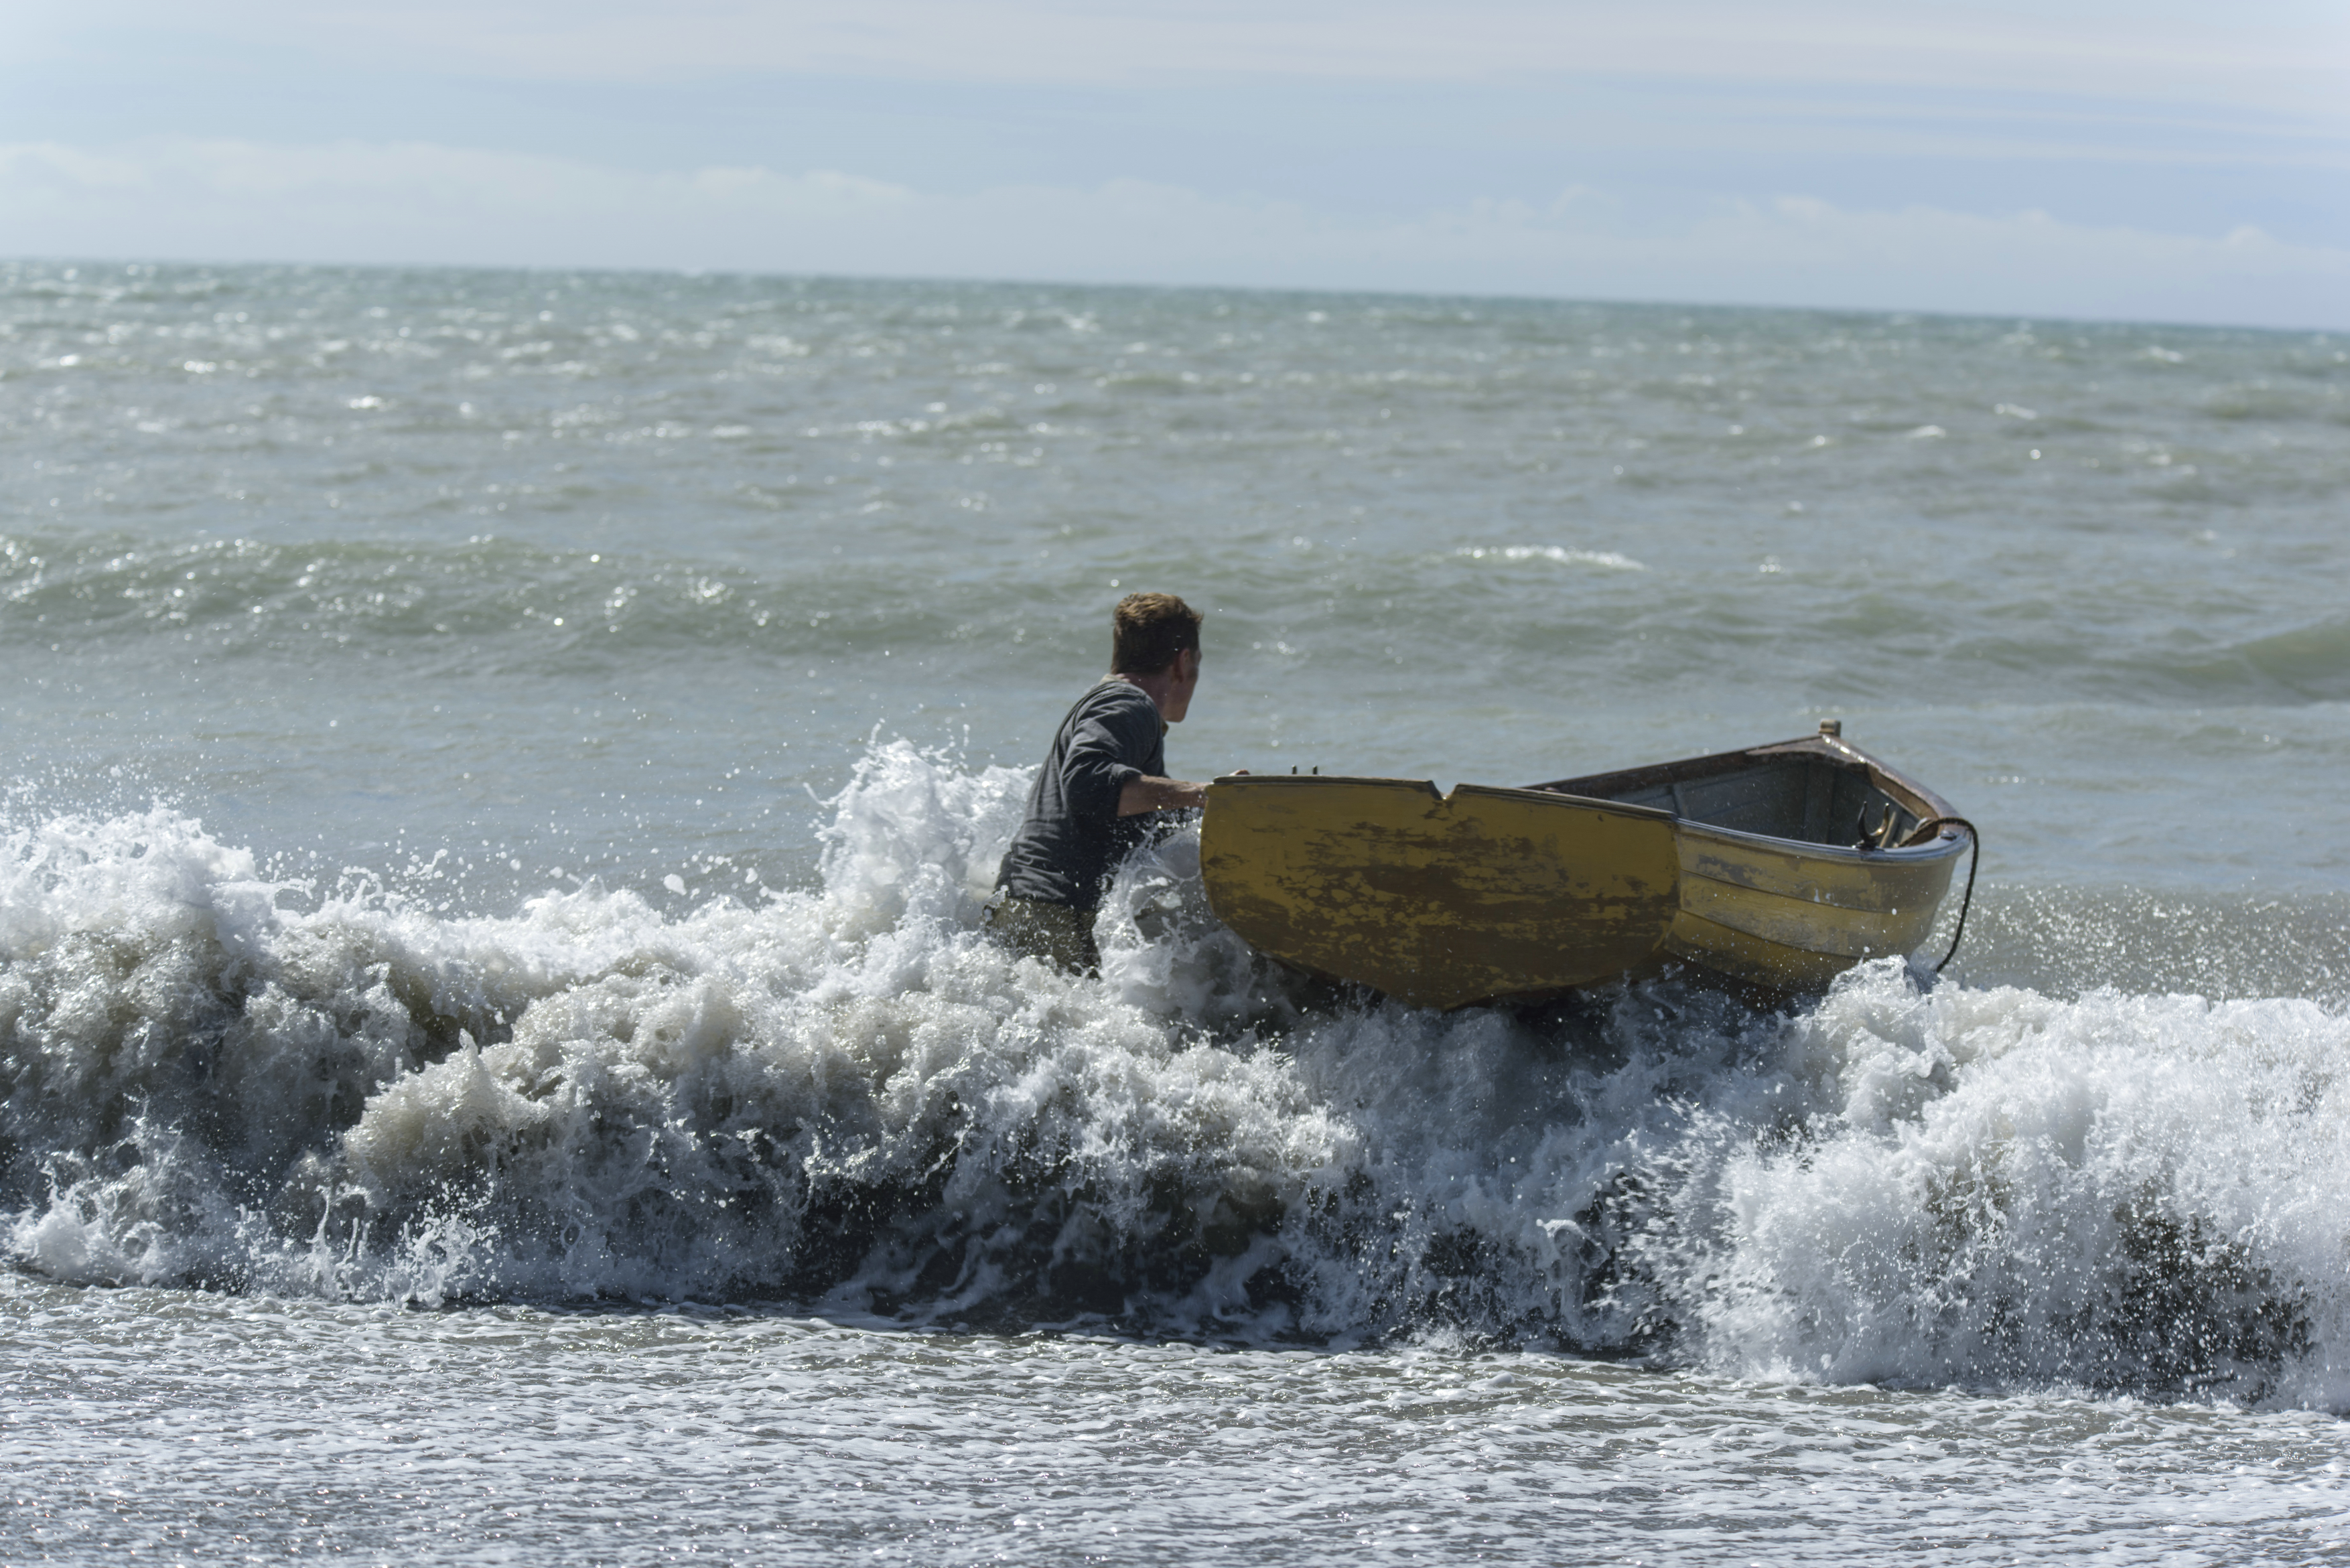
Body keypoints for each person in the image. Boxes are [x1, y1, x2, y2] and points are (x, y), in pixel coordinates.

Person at [987, 592, 1221, 974]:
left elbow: (1117, 807)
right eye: (1197, 664)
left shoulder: (1108, 703)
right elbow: (1087, 785)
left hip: (1027, 907)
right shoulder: (1128, 705)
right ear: (1183, 662)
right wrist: (1200, 794)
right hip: (1055, 915)